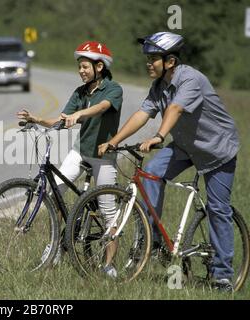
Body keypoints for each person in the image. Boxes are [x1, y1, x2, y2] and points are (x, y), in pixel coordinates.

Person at [98, 32, 240, 292]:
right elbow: (143, 113)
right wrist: (114, 141)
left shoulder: (191, 80)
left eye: (153, 59)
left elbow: (175, 109)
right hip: (187, 147)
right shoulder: (158, 86)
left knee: (218, 209)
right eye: (148, 58)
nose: (148, 63)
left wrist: (159, 136)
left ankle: (223, 276)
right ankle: (151, 242)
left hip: (217, 149)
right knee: (151, 173)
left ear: (170, 61)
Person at [17, 41, 123, 276]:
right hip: (80, 151)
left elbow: (102, 108)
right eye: (79, 67)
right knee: (55, 196)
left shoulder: (114, 89)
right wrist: (37, 119)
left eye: (85, 67)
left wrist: (80, 114)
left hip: (104, 156)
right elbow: (62, 119)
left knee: (108, 212)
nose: (81, 71)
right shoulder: (80, 92)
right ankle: (54, 248)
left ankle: (109, 265)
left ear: (100, 67)